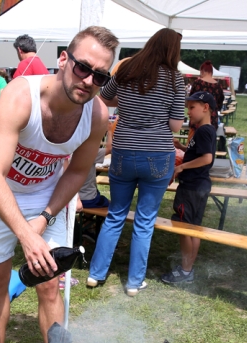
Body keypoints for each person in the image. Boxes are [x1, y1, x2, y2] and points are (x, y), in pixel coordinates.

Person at [0, 27, 119, 343]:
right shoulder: (19, 95)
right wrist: (24, 233)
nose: (89, 80)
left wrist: (45, 218)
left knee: (50, 286)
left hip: (46, 197)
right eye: (83, 67)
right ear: (64, 60)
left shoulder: (97, 115)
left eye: (101, 76)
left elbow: (75, 173)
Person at [87, 28, 185, 296]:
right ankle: (133, 282)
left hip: (123, 152)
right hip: (157, 154)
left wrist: (129, 103)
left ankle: (96, 274)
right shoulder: (175, 78)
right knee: (144, 220)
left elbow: (104, 98)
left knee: (116, 215)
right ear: (172, 50)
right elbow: (175, 126)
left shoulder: (127, 68)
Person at [160, 92, 216, 284]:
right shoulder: (204, 130)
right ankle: (188, 269)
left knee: (184, 227)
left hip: (192, 187)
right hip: (199, 186)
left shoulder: (204, 131)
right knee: (194, 228)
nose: (188, 112)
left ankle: (185, 271)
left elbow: (207, 158)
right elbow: (199, 153)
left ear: (205, 107)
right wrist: (183, 147)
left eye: (192, 107)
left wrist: (181, 166)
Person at [189, 61, 225, 129]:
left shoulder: (197, 83)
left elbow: (191, 101)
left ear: (202, 71)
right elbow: (219, 106)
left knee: (194, 139)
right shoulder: (219, 86)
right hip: (212, 121)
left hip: (197, 120)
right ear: (211, 72)